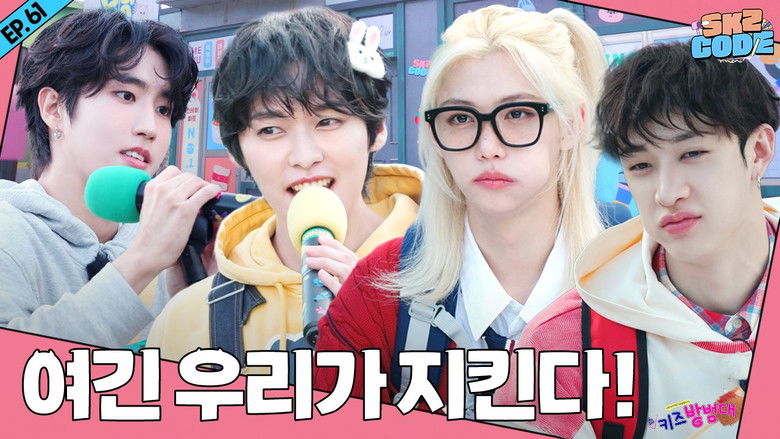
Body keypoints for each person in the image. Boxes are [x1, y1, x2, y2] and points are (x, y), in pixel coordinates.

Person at [314, 4, 605, 412]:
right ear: (434, 134)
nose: (488, 147)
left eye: (518, 113)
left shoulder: (650, 277)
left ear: (572, 125)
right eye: (460, 118)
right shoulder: (376, 290)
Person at [495, 42, 779, 438]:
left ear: (759, 150)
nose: (667, 193)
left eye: (692, 153)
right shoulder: (565, 346)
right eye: (641, 165)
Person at [146, 7, 422, 369]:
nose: (304, 157)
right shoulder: (188, 318)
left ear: (377, 128)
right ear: (237, 150)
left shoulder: (459, 273)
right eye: (271, 130)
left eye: (328, 121)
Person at [0, 10, 220, 347]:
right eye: (126, 95)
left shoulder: (168, 239)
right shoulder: (9, 229)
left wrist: (192, 298)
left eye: (163, 109)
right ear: (54, 108)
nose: (150, 127)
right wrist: (141, 263)